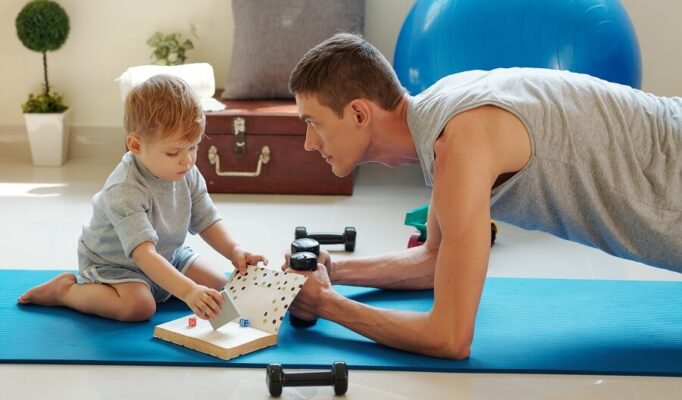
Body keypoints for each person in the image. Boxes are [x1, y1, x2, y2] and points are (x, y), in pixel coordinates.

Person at [283, 33, 682, 359]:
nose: (307, 143)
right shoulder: (441, 112)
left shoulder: (458, 143)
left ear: (358, 114)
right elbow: (434, 260)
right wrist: (333, 272)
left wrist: (325, 305)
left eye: (312, 123)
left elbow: (450, 337)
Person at [18, 75, 267, 322]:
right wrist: (188, 290)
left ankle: (168, 286)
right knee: (138, 307)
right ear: (135, 146)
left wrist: (235, 250)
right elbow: (143, 254)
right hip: (118, 264)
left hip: (169, 254)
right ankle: (66, 291)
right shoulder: (124, 188)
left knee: (219, 285)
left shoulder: (186, 171)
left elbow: (207, 220)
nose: (187, 160)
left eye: (193, 147)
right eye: (173, 152)